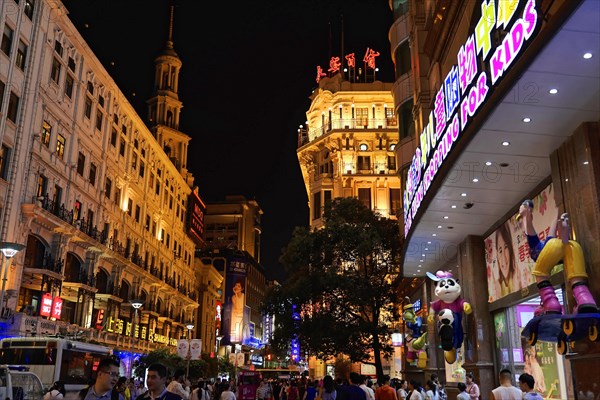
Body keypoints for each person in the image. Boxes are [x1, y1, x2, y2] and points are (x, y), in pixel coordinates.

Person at [519, 203, 598, 315]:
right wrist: (557, 213)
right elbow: (552, 232)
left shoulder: (536, 246)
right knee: (576, 274)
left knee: (540, 273)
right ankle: (585, 299)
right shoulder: (548, 242)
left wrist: (526, 215)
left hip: (553, 248)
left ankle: (550, 303)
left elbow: (529, 229)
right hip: (572, 246)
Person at [493, 224, 518, 297]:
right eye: (500, 251)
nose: (503, 259)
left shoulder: (518, 277)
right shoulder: (496, 286)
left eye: (506, 247)